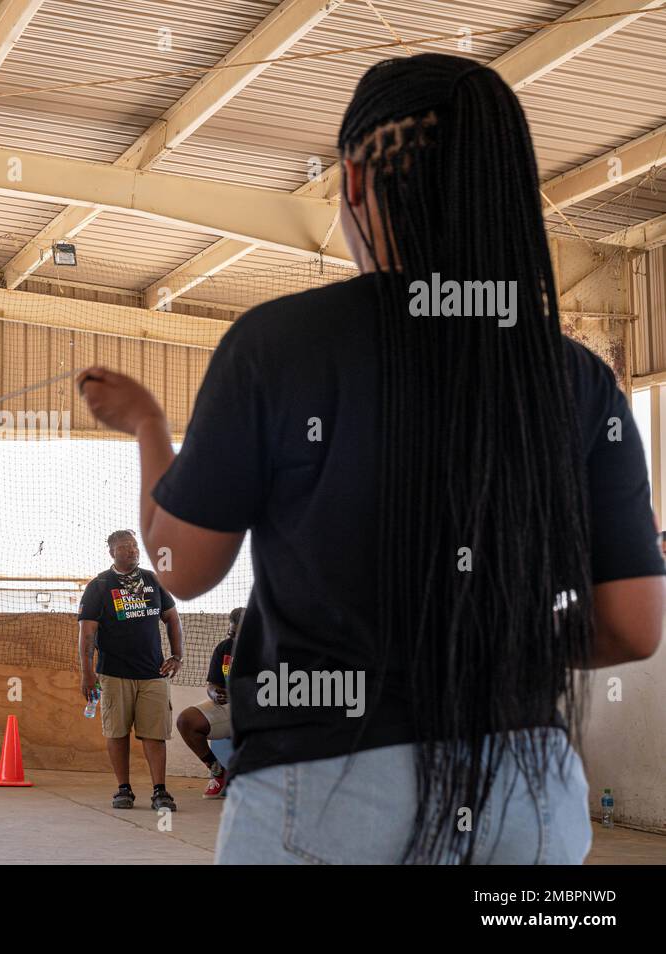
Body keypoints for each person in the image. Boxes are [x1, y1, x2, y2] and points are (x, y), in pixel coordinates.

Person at [78, 53, 664, 864]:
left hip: (324, 791)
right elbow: (633, 626)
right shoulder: (575, 379)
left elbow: (180, 564)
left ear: (355, 181)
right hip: (529, 796)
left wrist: (147, 424)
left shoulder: (278, 347)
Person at [78, 529, 184, 812]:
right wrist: (88, 674)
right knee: (117, 731)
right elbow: (87, 634)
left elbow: (172, 618)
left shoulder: (153, 580)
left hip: (153, 673)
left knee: (154, 734)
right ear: (112, 552)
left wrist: (177, 656)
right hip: (113, 674)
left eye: (135, 547)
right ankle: (123, 788)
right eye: (125, 547)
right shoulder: (99, 585)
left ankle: (160, 791)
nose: (133, 551)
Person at [176, 607, 243, 798]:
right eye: (232, 634)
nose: (235, 640)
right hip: (229, 707)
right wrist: (214, 694)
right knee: (186, 721)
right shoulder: (224, 648)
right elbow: (213, 683)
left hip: (259, 709)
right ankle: (218, 772)